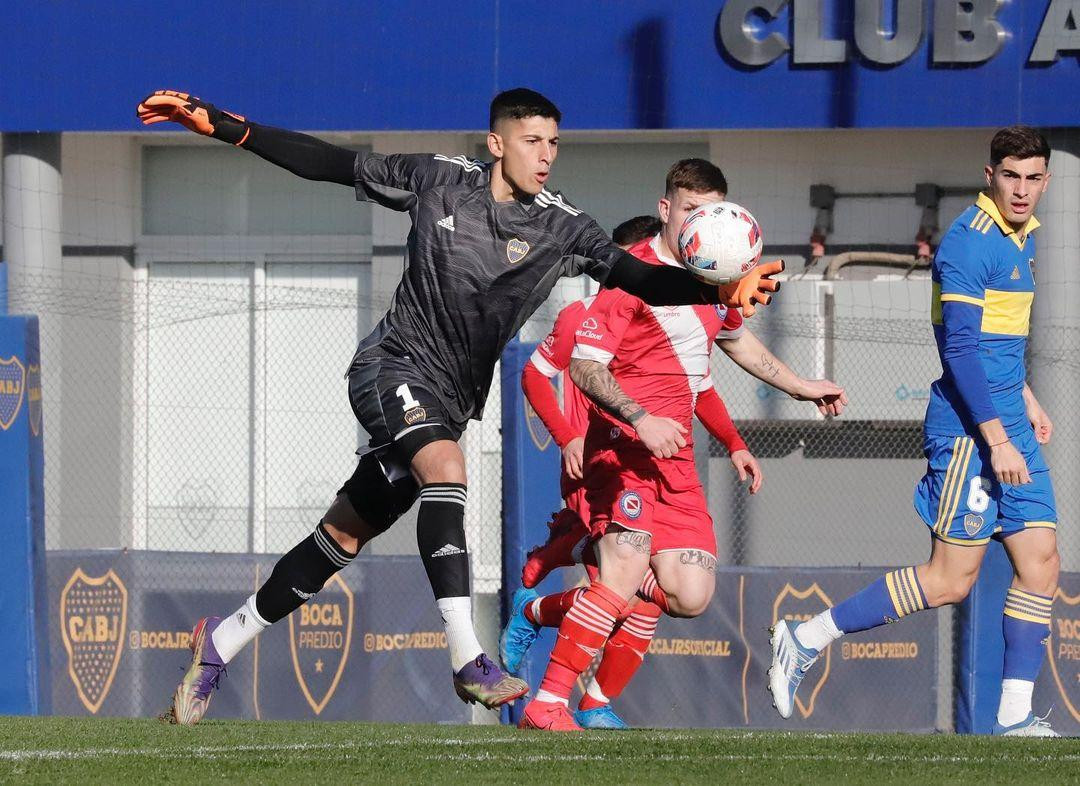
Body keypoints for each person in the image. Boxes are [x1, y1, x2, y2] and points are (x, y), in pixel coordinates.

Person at [135, 89, 784, 725]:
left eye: (554, 142)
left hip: (447, 401)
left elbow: (638, 275)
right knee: (447, 472)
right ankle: (468, 657)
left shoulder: (563, 225)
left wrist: (715, 286)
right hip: (390, 367)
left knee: (342, 536)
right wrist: (226, 127)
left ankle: (219, 642)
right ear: (497, 144)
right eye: (532, 141)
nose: (546, 154)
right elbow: (329, 163)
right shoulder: (438, 178)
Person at [502, 158, 847, 731]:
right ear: (666, 210)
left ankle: (553, 610)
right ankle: (549, 703)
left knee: (689, 593)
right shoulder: (629, 275)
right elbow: (584, 368)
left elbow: (736, 346)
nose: (700, 227)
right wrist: (638, 417)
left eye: (711, 214)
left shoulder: (714, 276)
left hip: (676, 459)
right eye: (690, 212)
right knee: (622, 570)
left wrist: (803, 387)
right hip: (623, 449)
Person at [768, 126, 1060, 737]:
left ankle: (1012, 723)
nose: (1022, 189)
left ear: (1046, 181)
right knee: (951, 580)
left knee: (1041, 562)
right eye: (1011, 176)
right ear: (989, 175)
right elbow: (958, 348)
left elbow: (997, 341)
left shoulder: (1020, 239)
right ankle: (807, 635)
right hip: (970, 433)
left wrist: (1026, 399)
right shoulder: (969, 244)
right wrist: (998, 438)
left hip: (1009, 423)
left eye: (1033, 178)